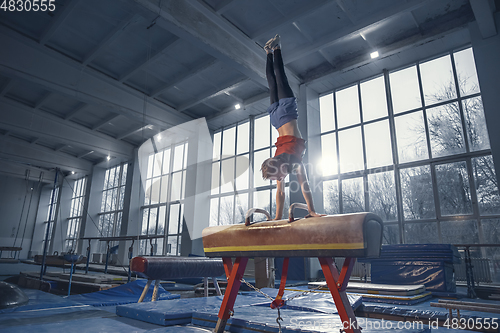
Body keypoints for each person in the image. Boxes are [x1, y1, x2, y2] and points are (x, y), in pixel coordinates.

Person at [261, 34, 323, 220]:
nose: (277, 180)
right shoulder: (278, 162)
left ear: (278, 169)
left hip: (287, 115)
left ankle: (277, 48)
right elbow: (283, 193)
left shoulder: (294, 161)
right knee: (273, 83)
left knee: (280, 80)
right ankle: (268, 52)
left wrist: (311, 210)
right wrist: (277, 219)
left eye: (275, 177)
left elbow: (305, 187)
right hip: (276, 119)